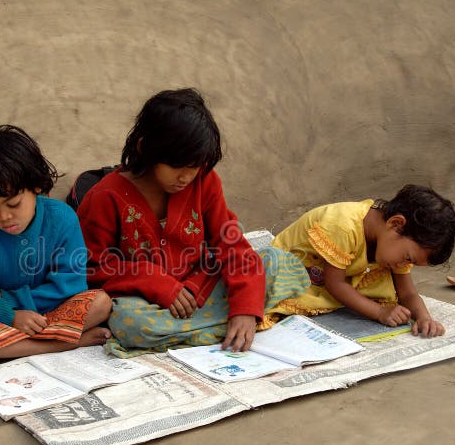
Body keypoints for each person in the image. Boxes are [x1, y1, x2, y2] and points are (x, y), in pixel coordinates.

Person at [77, 88, 309, 357]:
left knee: (276, 262)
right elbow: (93, 268)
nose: (186, 177)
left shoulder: (205, 181)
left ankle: (219, 325)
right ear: (145, 149)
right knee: (130, 323)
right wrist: (155, 282)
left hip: (201, 286)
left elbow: (230, 244)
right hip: (147, 301)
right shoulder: (105, 197)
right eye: (178, 166)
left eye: (195, 166)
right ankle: (220, 326)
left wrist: (245, 309)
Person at [0, 125, 112, 367]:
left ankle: (9, 350)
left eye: (14, 204)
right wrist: (9, 314)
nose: (4, 216)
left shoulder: (62, 218)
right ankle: (69, 343)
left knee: (101, 303)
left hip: (48, 313)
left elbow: (71, 284)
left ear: (36, 187)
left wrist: (8, 300)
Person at [270, 184, 455, 337]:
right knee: (274, 292)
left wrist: (424, 318)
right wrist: (380, 312)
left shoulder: (393, 243)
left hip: (339, 272)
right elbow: (334, 283)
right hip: (297, 267)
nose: (404, 266)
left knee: (384, 282)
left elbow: (407, 292)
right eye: (407, 258)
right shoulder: (343, 226)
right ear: (396, 224)